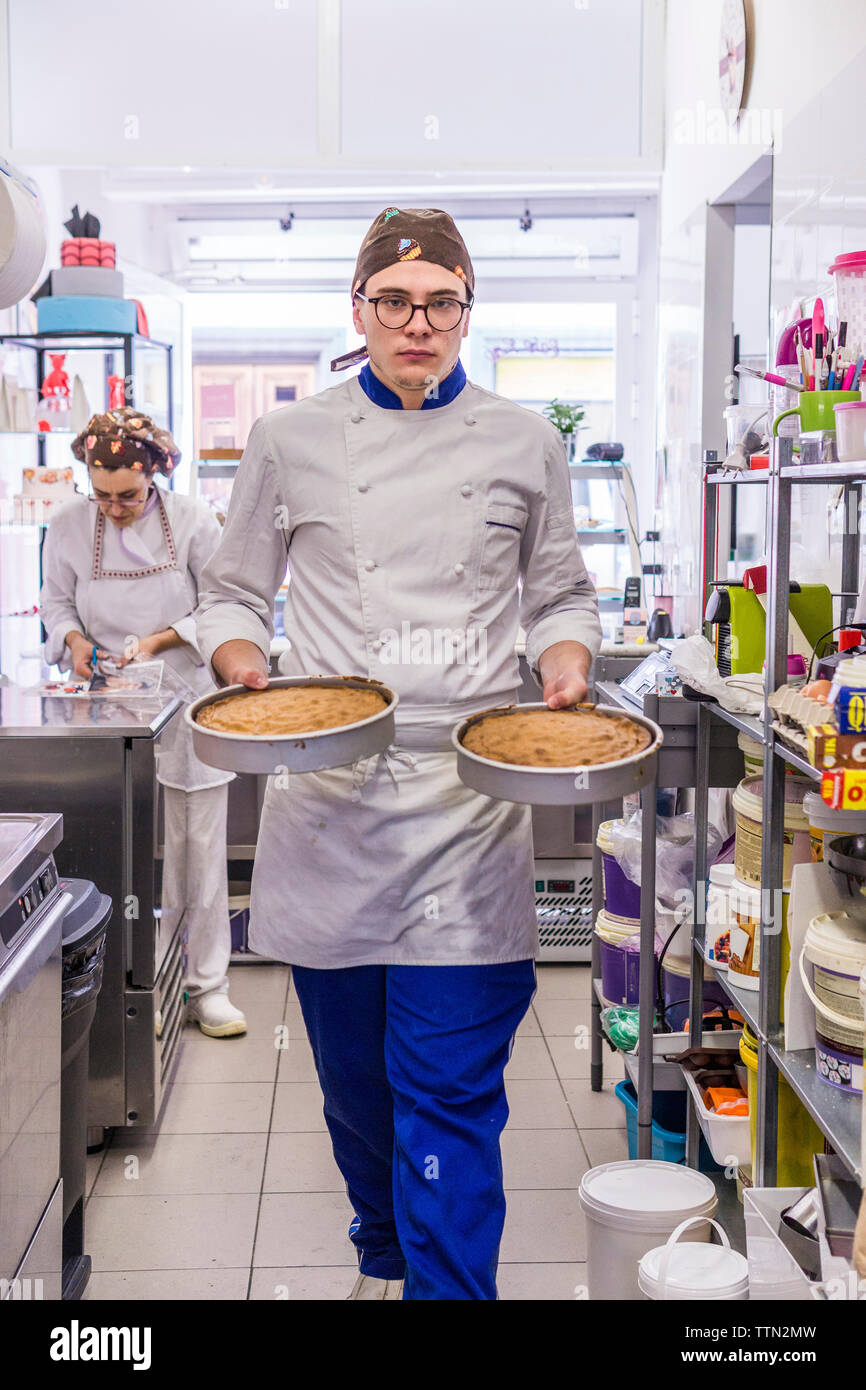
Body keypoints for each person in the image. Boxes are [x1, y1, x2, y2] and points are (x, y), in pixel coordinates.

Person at [195, 208, 602, 1299]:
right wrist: (239, 655)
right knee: (357, 1094)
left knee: (447, 1092)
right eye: (393, 301)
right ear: (358, 310)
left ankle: (443, 1285)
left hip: (468, 806)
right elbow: (233, 588)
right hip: (328, 795)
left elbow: (559, 590)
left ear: (466, 310)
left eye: (441, 302)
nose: (416, 323)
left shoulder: (526, 440)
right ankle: (388, 1244)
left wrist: (561, 658)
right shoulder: (289, 440)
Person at [40, 407, 246, 1038]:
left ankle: (205, 985)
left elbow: (220, 603)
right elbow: (56, 601)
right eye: (100, 495)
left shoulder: (191, 521)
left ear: (154, 476)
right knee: (112, 837)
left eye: (127, 495)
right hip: (105, 703)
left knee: (198, 849)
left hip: (187, 698)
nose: (114, 507)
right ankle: (117, 978)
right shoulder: (68, 522)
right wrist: (73, 640)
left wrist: (159, 640)